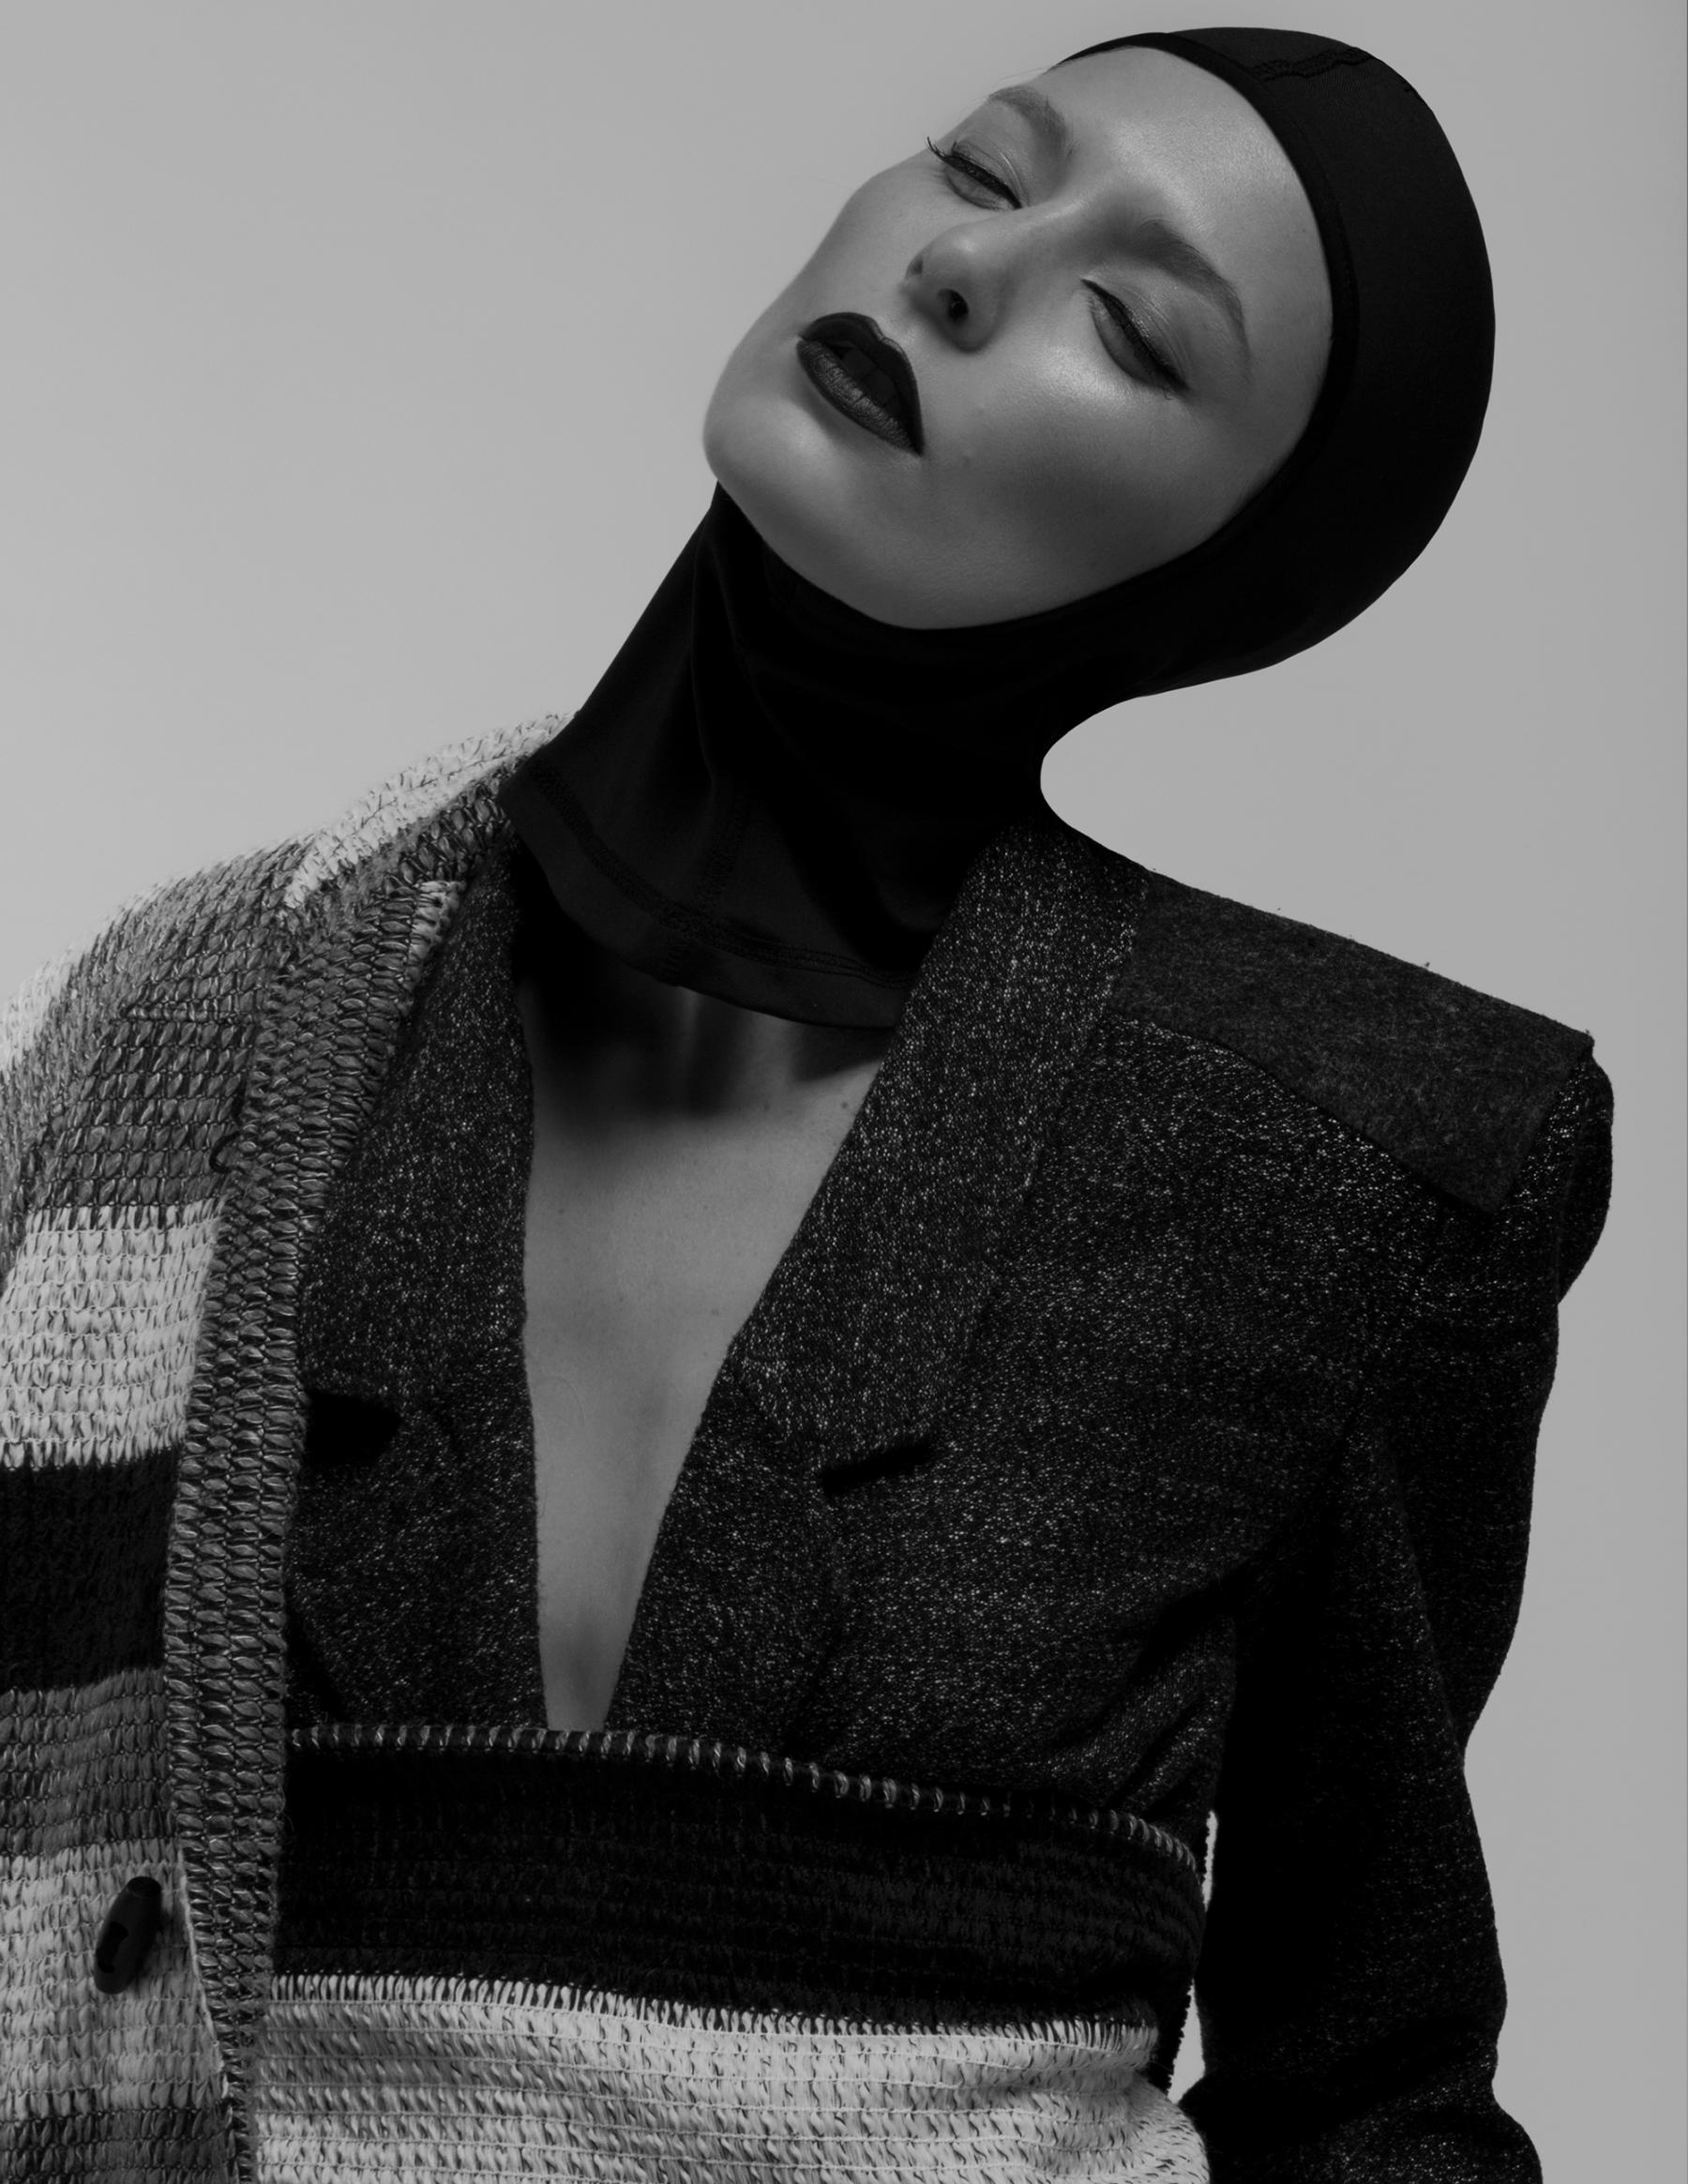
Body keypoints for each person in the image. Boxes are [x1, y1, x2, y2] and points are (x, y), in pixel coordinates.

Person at [0, 25, 1613, 2184]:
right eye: (981, 166)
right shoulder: (185, 1028)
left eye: (1135, 329)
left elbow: (1371, 2101)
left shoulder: (1363, 1160)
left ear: (1230, 566)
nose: (965, 269)